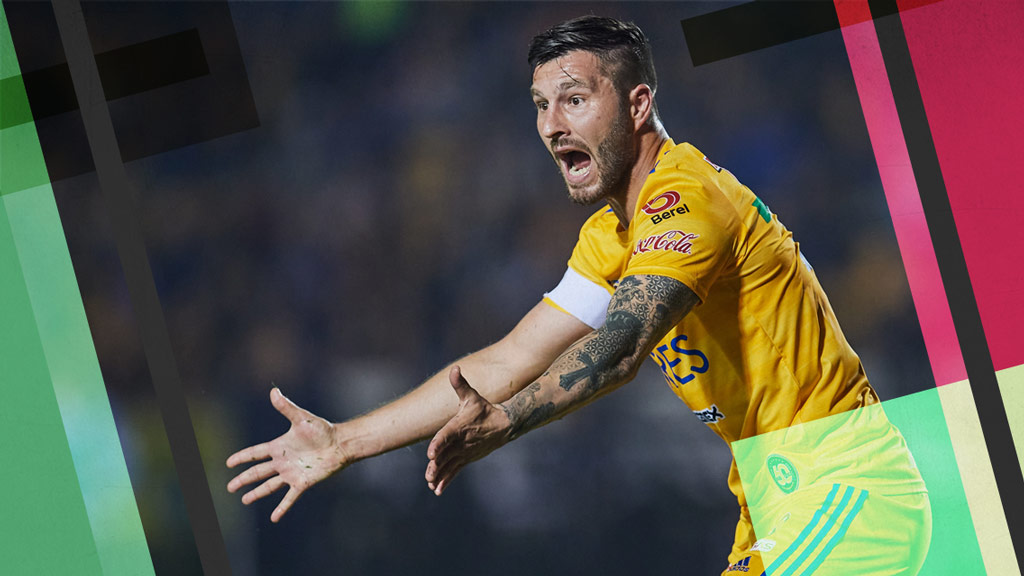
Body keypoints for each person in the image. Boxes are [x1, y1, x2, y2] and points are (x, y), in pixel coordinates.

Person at [228, 15, 930, 575]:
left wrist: (508, 422)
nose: (551, 125)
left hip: (844, 488)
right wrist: (344, 441)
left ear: (639, 104)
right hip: (776, 503)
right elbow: (506, 361)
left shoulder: (688, 199)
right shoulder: (610, 236)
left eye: (574, 99)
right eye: (540, 105)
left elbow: (620, 347)